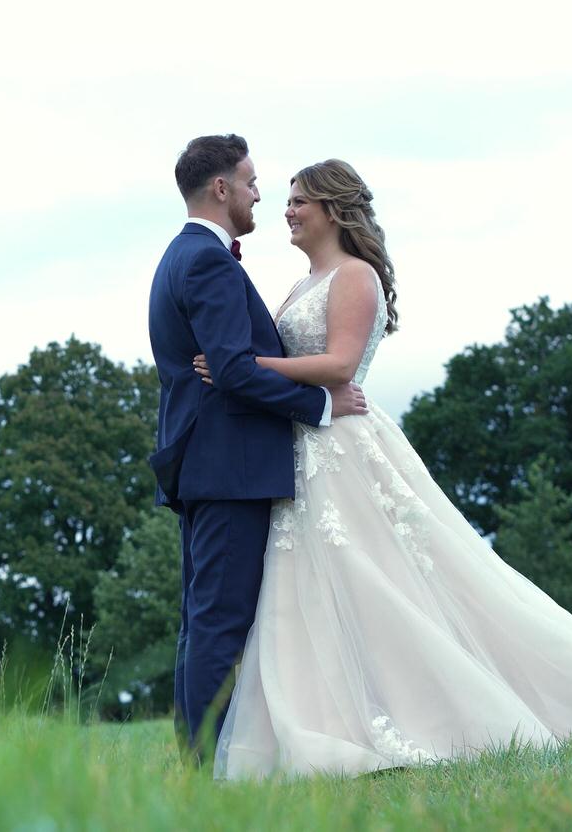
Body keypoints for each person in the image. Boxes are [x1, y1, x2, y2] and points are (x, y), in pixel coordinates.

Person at [193, 158, 572, 780]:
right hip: (304, 448)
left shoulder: (355, 276)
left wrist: (250, 369)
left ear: (333, 208)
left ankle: (466, 709)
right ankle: (333, 720)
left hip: (344, 450)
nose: (286, 210)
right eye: (286, 200)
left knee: (387, 582)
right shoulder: (299, 285)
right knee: (318, 591)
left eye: (299, 201)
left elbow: (342, 365)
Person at [146, 135, 369, 762]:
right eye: (251, 183)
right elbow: (235, 371)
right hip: (230, 468)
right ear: (222, 188)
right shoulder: (210, 261)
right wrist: (322, 406)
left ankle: (200, 759)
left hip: (203, 466)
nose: (260, 195)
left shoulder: (177, 256)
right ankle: (205, 765)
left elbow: (226, 367)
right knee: (218, 623)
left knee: (202, 622)